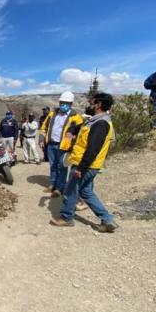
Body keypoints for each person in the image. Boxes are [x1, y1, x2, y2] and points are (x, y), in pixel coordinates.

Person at [50, 92, 119, 233]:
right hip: (89, 164)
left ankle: (66, 218)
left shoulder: (101, 123)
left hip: (86, 165)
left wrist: (81, 167)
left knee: (70, 190)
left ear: (98, 104)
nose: (90, 105)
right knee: (86, 192)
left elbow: (92, 148)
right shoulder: (95, 120)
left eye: (92, 102)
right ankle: (108, 220)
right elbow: (81, 130)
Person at [39, 92, 83, 197]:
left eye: (67, 103)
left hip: (64, 147)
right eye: (62, 102)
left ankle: (59, 188)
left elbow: (80, 133)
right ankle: (53, 184)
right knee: (52, 165)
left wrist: (73, 141)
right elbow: (43, 127)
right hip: (51, 144)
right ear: (59, 102)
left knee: (62, 167)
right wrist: (41, 140)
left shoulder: (76, 117)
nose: (64, 104)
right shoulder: (52, 114)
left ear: (71, 104)